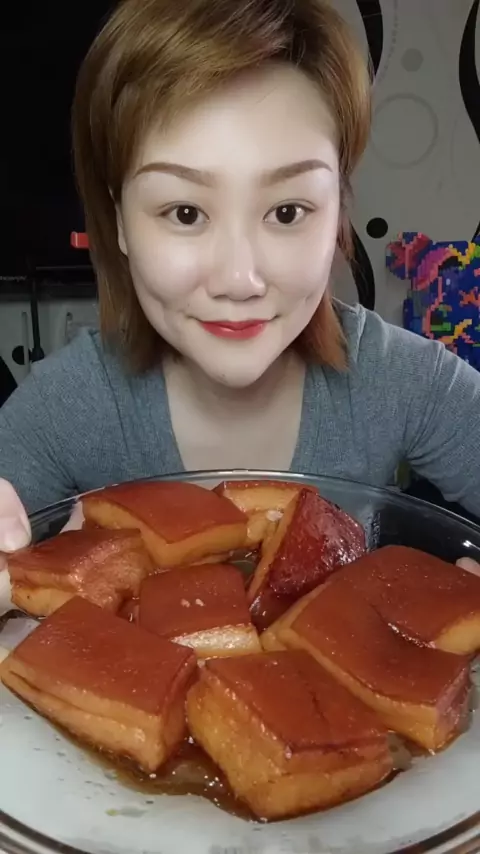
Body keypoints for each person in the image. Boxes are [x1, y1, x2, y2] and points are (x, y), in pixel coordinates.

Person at [0, 0, 479, 576]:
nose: (239, 280)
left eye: (287, 211)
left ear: (338, 213)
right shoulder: (67, 406)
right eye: (184, 213)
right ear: (119, 220)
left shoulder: (402, 381)